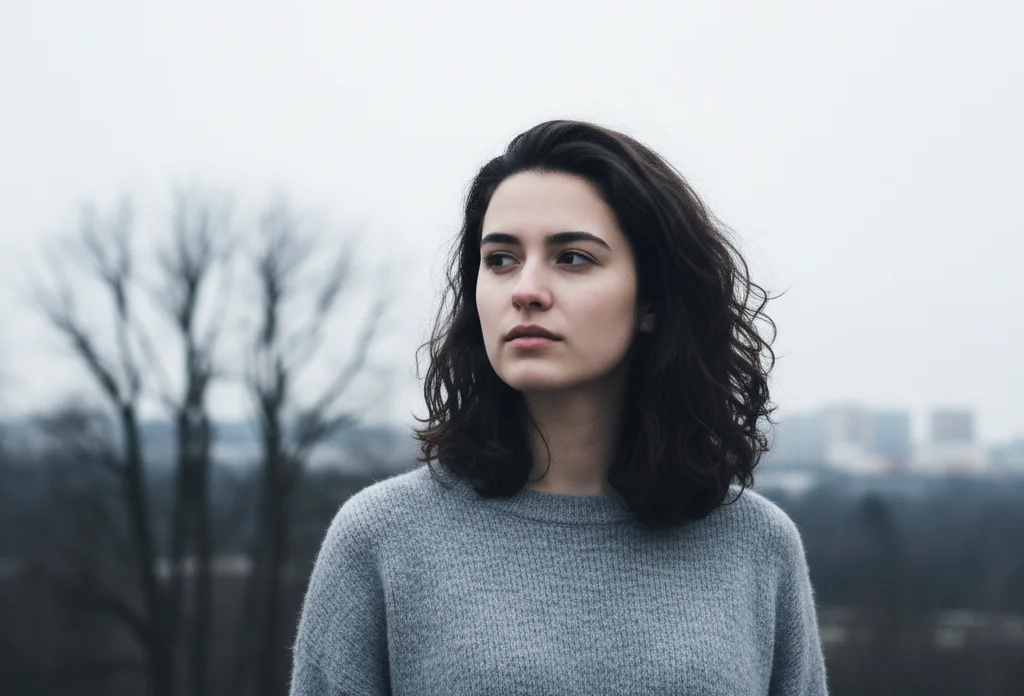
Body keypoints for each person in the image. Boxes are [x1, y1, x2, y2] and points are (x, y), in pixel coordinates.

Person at [289, 119, 829, 695]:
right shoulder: (381, 539)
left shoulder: (756, 544)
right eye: (500, 259)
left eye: (571, 258)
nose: (526, 289)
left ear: (651, 301)